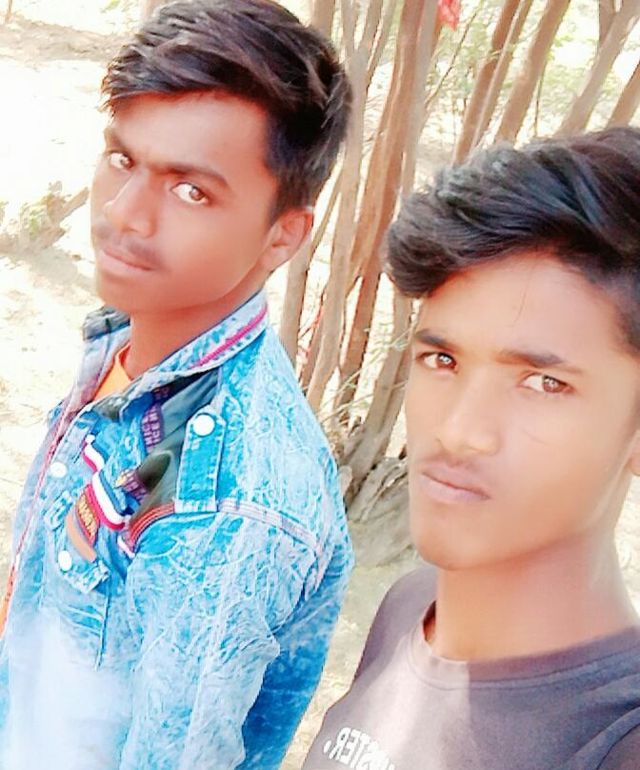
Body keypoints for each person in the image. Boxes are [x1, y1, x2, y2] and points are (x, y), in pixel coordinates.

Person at [0, 2, 353, 768]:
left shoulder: (227, 501)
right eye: (123, 159)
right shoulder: (129, 342)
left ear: (284, 234)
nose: (124, 214)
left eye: (191, 191)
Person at [303, 127, 640, 770]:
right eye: (443, 359)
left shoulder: (618, 742)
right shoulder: (409, 609)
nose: (458, 431)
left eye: (543, 383)